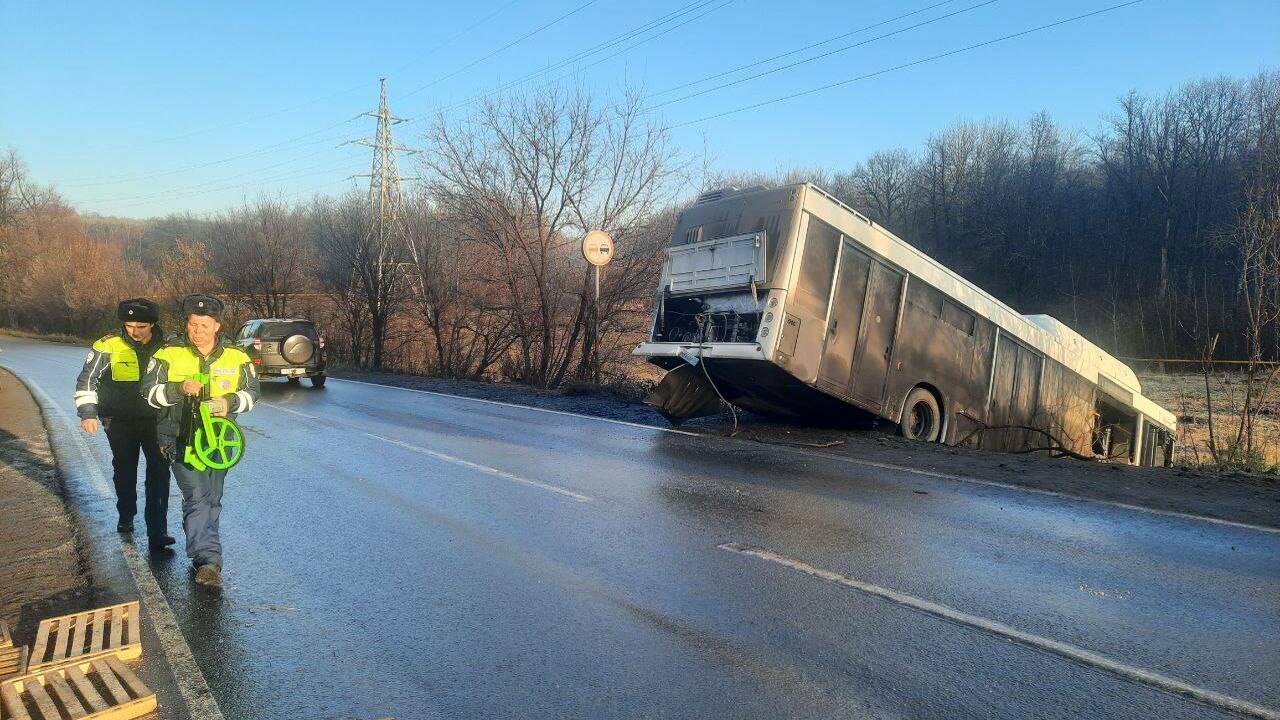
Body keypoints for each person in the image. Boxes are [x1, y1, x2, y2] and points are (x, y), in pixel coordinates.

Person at [142, 293, 259, 587]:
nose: (198, 331)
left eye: (205, 325)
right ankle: (207, 561)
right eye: (193, 324)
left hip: (218, 446)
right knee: (197, 497)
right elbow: (148, 392)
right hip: (179, 440)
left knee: (212, 498)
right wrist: (178, 388)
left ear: (217, 326)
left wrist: (229, 403)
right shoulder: (167, 354)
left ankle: (204, 552)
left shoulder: (237, 357)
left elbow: (252, 394)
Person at [74, 298, 174, 553]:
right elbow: (87, 381)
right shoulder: (108, 346)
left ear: (152, 324)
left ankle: (158, 529)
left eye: (141, 325)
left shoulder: (169, 346)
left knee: (159, 473)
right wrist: (88, 413)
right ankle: (126, 514)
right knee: (125, 470)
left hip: (157, 421)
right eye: (129, 325)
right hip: (119, 422)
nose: (134, 331)